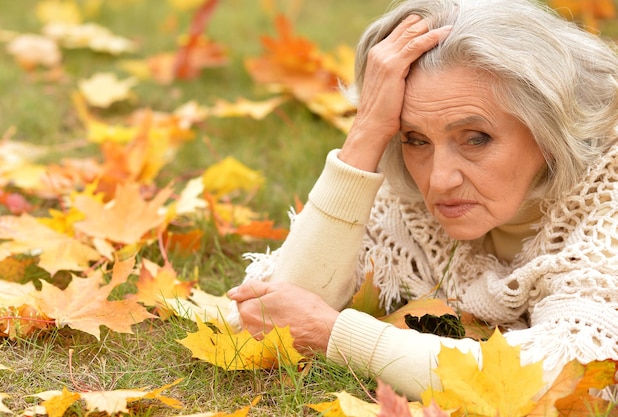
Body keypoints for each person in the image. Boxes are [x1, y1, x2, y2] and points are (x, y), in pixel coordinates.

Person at [227, 0, 618, 400]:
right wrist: (366, 132)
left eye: (475, 138)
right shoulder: (408, 200)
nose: (439, 179)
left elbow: (575, 377)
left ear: (551, 128)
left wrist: (336, 335)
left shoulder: (608, 200)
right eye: (416, 140)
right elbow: (269, 310)